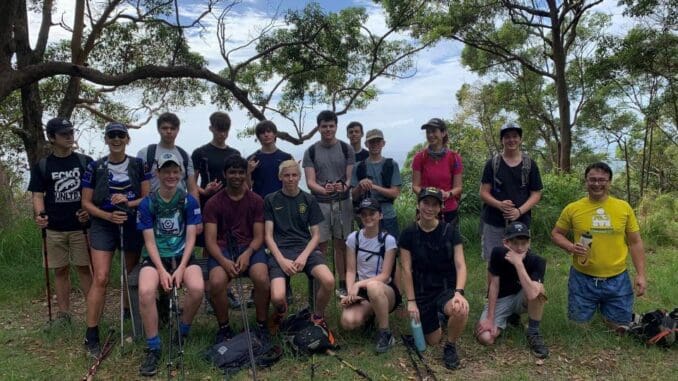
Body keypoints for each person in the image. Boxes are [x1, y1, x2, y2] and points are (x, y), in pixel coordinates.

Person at [551, 162, 647, 332]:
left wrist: (640, 275)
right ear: (586, 181)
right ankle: (591, 309)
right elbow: (556, 233)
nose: (597, 184)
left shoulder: (623, 207)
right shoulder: (573, 208)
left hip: (617, 279)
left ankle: (612, 312)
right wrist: (570, 247)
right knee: (578, 329)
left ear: (609, 182)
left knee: (619, 328)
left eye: (602, 180)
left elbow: (635, 242)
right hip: (582, 278)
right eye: (592, 179)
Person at [82, 122, 151, 357]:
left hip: (130, 222)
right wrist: (108, 215)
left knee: (129, 274)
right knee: (100, 277)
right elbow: (87, 203)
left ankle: (130, 318)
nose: (116, 139)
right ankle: (91, 334)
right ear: (106, 139)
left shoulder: (139, 165)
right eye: (112, 135)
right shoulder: (95, 166)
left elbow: (146, 196)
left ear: (127, 139)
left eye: (120, 135)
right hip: (103, 223)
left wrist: (127, 204)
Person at [136, 153, 204, 377]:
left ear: (181, 174)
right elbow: (149, 240)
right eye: (166, 171)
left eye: (175, 171)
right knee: (146, 291)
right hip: (156, 257)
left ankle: (182, 331)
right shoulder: (148, 203)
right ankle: (153, 347)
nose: (171, 176)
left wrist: (182, 267)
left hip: (182, 254)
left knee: (196, 288)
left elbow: (192, 237)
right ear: (158, 174)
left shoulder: (188, 200)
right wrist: (163, 271)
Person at [28, 117, 93, 325]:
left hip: (81, 227)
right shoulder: (43, 165)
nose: (69, 137)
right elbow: (38, 194)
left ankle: (93, 310)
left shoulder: (85, 162)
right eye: (64, 134)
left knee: (85, 268)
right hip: (54, 227)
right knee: (60, 269)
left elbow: (94, 194)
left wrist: (89, 212)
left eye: (71, 132)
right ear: (52, 138)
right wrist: (40, 214)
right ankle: (64, 315)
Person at [399, 187, 469, 370]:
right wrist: (411, 302)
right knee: (432, 340)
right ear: (418, 204)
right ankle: (439, 318)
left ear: (440, 208)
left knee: (460, 309)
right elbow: (406, 269)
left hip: (446, 288)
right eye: (425, 203)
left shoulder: (450, 231)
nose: (429, 208)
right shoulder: (408, 234)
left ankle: (451, 346)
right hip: (422, 291)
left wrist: (459, 293)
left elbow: (461, 265)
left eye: (434, 204)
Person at [204, 156, 270, 343]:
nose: (237, 176)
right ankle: (224, 328)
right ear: (225, 174)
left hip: (250, 247)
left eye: (241, 172)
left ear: (245, 174)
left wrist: (248, 254)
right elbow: (210, 241)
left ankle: (262, 324)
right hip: (222, 249)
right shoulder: (213, 203)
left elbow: (259, 237)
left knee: (262, 279)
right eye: (232, 172)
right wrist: (224, 262)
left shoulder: (256, 201)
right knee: (216, 283)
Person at [265, 160, 335, 337]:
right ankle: (281, 312)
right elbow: (268, 236)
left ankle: (317, 316)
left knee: (328, 281)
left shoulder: (308, 199)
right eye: (286, 175)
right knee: (277, 297)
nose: (290, 179)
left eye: (294, 175)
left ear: (299, 177)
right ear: (280, 176)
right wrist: (281, 260)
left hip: (306, 248)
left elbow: (316, 235)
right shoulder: (271, 200)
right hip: (280, 250)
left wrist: (304, 257)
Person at [475, 221, 549, 359]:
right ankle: (509, 317)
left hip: (523, 298)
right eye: (515, 243)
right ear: (506, 242)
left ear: (529, 242)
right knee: (486, 338)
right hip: (501, 299)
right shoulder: (497, 254)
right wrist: (490, 318)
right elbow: (494, 286)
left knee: (539, 291)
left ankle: (533, 332)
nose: (520, 248)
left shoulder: (537, 261)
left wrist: (519, 264)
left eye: (524, 243)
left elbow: (533, 294)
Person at [190, 111, 241, 307]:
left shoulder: (234, 153)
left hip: (230, 204)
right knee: (207, 246)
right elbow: (192, 182)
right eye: (218, 130)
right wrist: (205, 190)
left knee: (228, 243)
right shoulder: (200, 152)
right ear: (211, 128)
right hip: (208, 203)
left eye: (225, 131)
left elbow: (240, 178)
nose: (222, 134)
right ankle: (208, 291)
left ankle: (225, 289)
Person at [303, 110, 354, 297]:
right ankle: (322, 282)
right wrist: (325, 190)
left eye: (331, 126)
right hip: (320, 204)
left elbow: (349, 178)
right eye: (324, 126)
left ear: (336, 127)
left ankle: (342, 282)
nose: (328, 129)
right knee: (321, 245)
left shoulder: (346, 149)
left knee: (341, 244)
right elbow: (310, 181)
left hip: (343, 203)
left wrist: (344, 187)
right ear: (318, 127)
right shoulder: (311, 151)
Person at [340, 198, 401, 353]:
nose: (368, 217)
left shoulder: (388, 240)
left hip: (385, 291)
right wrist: (350, 293)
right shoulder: (354, 238)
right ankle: (370, 316)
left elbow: (385, 275)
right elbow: (351, 271)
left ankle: (385, 332)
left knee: (373, 287)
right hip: (363, 292)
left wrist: (358, 284)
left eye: (372, 213)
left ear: (380, 215)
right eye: (364, 214)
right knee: (348, 322)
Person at [246, 120, 293, 304]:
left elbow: (290, 182)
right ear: (258, 136)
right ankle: (258, 287)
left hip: (281, 206)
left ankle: (285, 285)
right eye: (262, 132)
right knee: (259, 247)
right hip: (259, 207)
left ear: (275, 134)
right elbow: (247, 187)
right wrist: (249, 172)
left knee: (282, 244)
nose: (266, 135)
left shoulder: (285, 156)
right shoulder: (253, 158)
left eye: (269, 131)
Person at [479, 122, 542, 261]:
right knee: (493, 261)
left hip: (521, 222)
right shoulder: (492, 164)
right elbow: (483, 192)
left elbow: (536, 194)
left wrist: (518, 211)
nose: (511, 140)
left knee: (520, 259)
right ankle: (493, 284)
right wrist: (499, 204)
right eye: (507, 136)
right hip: (493, 221)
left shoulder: (529, 164)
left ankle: (518, 284)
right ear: (502, 140)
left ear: (520, 139)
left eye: (515, 136)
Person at [411, 118, 463, 231]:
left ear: (443, 133)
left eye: (434, 131)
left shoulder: (454, 158)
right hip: (425, 209)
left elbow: (458, 187)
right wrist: (429, 195)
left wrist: (447, 194)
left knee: (448, 245)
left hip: (447, 210)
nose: (430, 135)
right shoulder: (419, 158)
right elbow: (415, 186)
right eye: (428, 132)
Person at [351, 128, 402, 238]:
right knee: (368, 249)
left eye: (377, 141)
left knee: (391, 249)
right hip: (367, 216)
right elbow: (354, 197)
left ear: (383, 143)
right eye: (371, 142)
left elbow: (395, 193)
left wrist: (373, 186)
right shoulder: (359, 167)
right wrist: (360, 186)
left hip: (387, 214)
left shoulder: (391, 165)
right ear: (366, 144)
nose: (375, 145)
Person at [137, 112, 198, 201]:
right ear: (158, 129)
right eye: (165, 128)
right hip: (153, 207)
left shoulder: (185, 156)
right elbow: (139, 185)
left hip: (179, 207)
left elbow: (192, 189)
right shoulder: (145, 153)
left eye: (172, 128)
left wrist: (196, 211)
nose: (169, 131)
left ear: (177, 130)